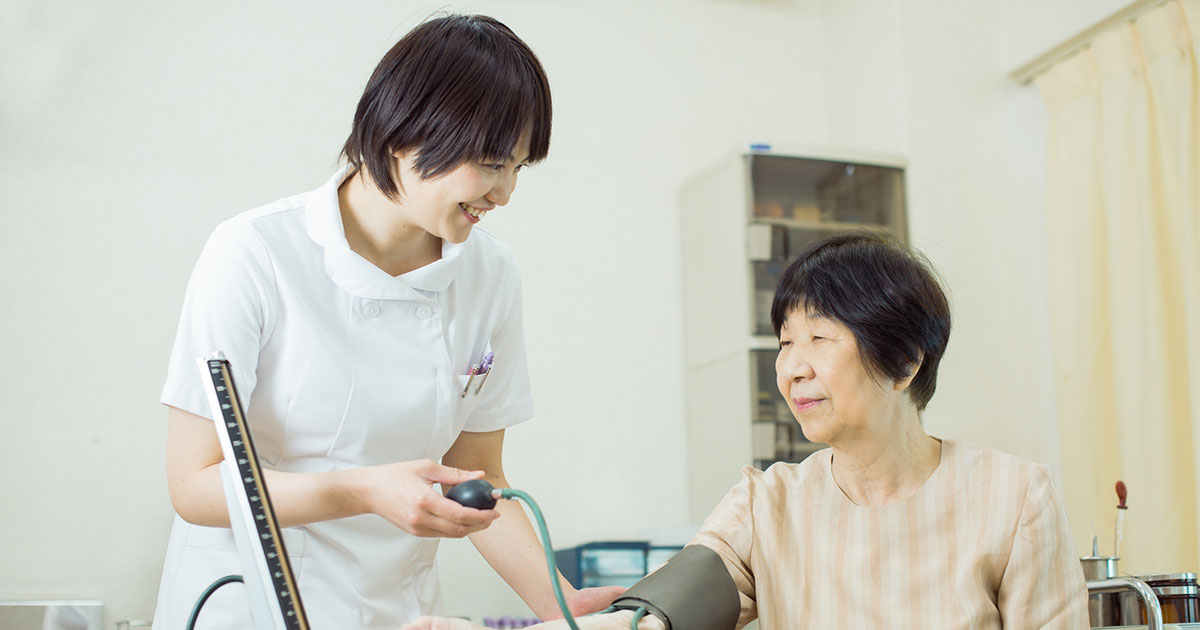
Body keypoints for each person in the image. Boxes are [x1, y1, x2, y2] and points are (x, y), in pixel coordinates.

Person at [153, 14, 621, 629]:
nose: (503, 193)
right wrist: (363, 490)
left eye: (517, 168)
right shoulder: (256, 252)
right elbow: (194, 485)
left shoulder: (491, 275)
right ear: (403, 135)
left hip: (397, 611)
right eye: (488, 163)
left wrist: (565, 605)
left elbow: (480, 480)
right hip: (249, 603)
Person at [405, 233, 1089, 630]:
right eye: (786, 342)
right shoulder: (767, 505)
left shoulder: (1013, 499)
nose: (793, 369)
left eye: (821, 337)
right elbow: (650, 623)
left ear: (906, 362)